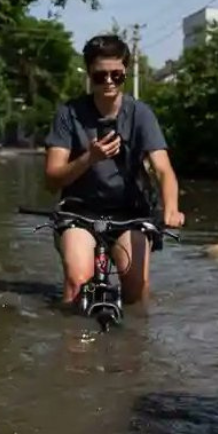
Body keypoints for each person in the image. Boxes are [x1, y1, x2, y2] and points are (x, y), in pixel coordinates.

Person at [44, 33, 185, 306]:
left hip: (129, 213)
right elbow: (51, 179)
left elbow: (164, 170)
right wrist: (89, 158)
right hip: (79, 211)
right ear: (89, 74)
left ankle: (134, 345)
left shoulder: (141, 114)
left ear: (125, 72)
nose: (109, 81)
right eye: (100, 76)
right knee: (77, 282)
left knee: (136, 289)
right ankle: (72, 343)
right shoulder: (68, 114)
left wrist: (172, 207)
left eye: (116, 75)